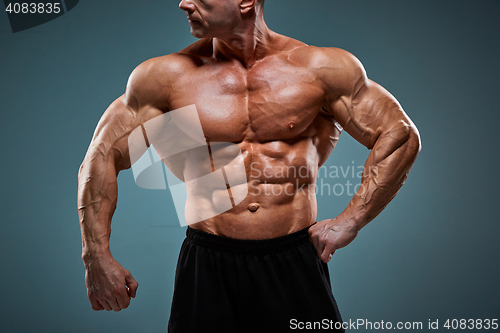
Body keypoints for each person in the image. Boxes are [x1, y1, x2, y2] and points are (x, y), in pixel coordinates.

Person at [77, 0, 421, 331]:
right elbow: (101, 154)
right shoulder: (166, 77)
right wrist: (96, 256)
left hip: (293, 260)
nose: (184, 3)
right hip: (208, 261)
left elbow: (399, 135)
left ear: (245, 1)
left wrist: (352, 219)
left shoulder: (320, 70)